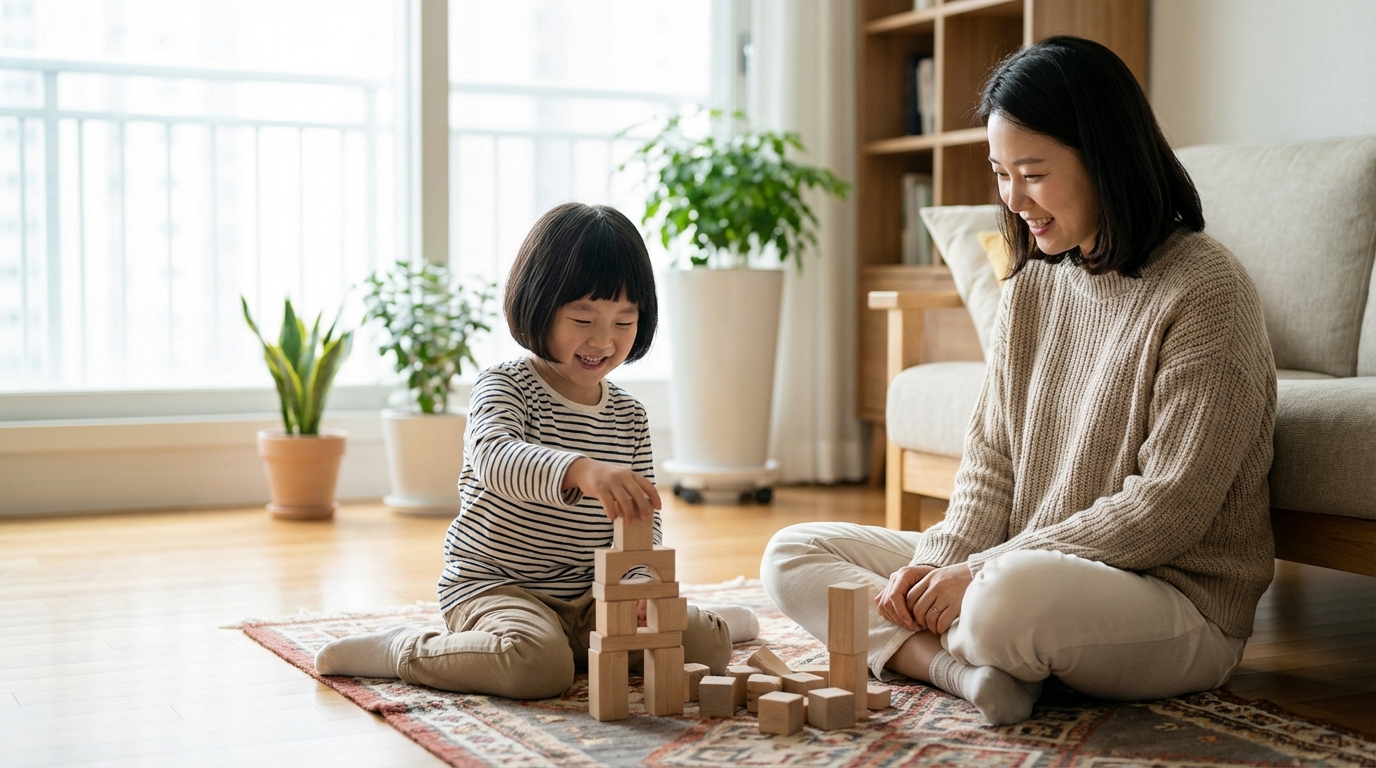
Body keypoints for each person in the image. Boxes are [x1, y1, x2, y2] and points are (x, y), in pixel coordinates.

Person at [761, 36, 1276, 725]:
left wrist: (977, 572)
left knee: (1002, 607)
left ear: (1106, 157)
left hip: (1171, 598)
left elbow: (1167, 508)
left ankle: (961, 646)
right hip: (1022, 559)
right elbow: (992, 460)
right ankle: (959, 672)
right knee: (793, 554)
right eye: (1001, 173)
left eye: (1032, 172)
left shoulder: (1207, 290)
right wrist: (938, 564)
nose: (1014, 198)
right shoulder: (1034, 283)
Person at [315, 202, 756, 698]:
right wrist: (582, 471)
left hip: (592, 597)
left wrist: (636, 580)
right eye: (583, 318)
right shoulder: (506, 386)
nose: (602, 340)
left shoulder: (630, 414)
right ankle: (403, 650)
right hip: (499, 587)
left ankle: (715, 624)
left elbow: (642, 520)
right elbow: (495, 457)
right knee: (536, 669)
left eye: (623, 322)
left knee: (705, 647)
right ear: (539, 304)